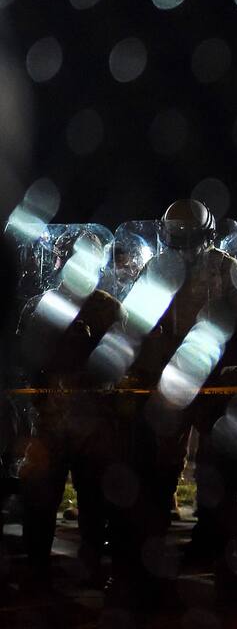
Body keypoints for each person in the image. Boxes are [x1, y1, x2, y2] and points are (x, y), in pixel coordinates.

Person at [127, 199, 237, 594]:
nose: (181, 245)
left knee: (214, 465)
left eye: (188, 237)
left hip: (213, 376)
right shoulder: (157, 267)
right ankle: (155, 544)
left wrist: (226, 323)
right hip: (171, 377)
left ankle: (211, 543)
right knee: (162, 463)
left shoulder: (225, 267)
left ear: (205, 235)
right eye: (175, 237)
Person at [16, 228, 125, 588]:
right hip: (51, 419)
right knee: (41, 497)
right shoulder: (44, 305)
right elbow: (25, 358)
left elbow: (122, 361)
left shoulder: (107, 307)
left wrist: (90, 345)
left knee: (94, 500)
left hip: (94, 422)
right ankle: (36, 566)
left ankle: (92, 565)